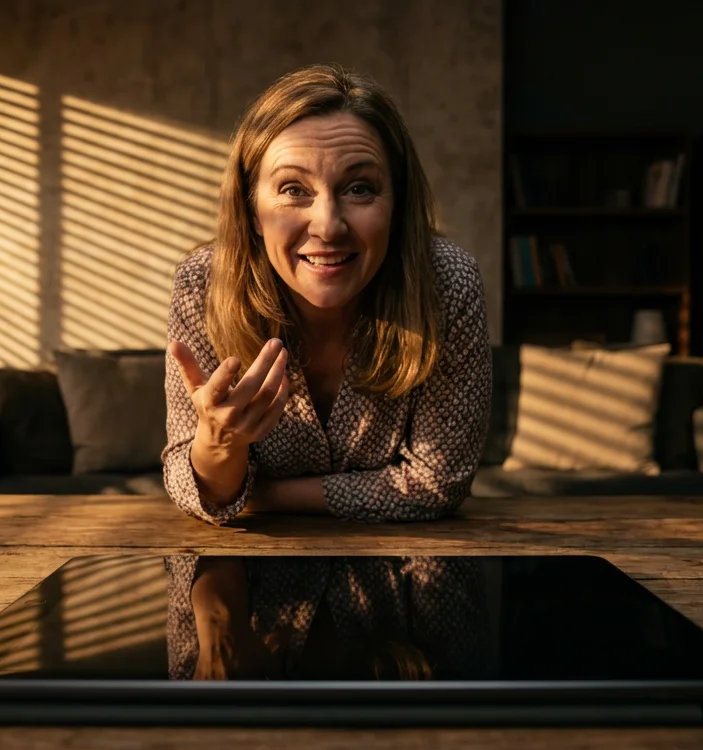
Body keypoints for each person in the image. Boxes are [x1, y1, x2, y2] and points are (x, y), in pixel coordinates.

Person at [159, 63, 493, 679]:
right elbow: (195, 488)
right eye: (293, 190)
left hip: (412, 604)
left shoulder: (448, 284)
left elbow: (437, 486)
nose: (329, 225)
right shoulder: (202, 286)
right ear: (251, 206)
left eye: (360, 188)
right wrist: (216, 445)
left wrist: (261, 496)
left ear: (398, 203)